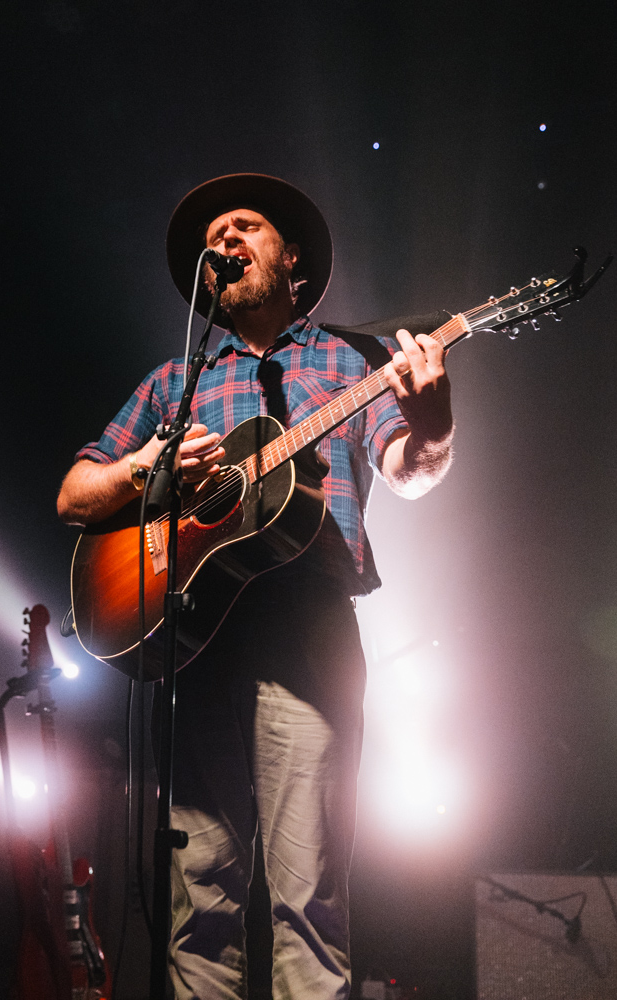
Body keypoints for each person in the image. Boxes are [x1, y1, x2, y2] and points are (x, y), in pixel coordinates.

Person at [57, 173, 454, 1000]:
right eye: (215, 236)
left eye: (246, 225)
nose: (226, 240)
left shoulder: (347, 364)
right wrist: (145, 470)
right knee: (200, 893)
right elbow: (73, 495)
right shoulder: (175, 379)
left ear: (291, 257)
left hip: (306, 626)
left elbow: (407, 471)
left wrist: (434, 424)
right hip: (191, 632)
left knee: (307, 897)